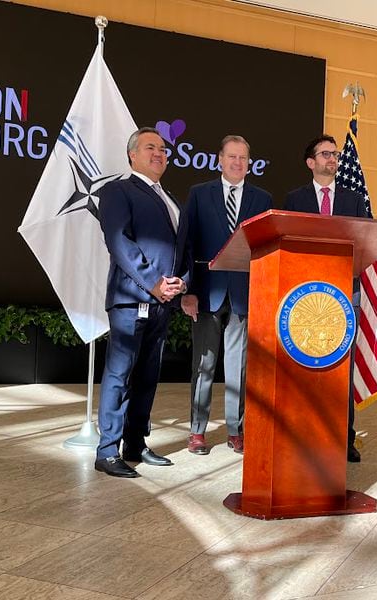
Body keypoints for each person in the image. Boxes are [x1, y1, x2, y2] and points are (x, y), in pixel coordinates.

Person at [94, 127, 190, 478]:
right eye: (151, 147)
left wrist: (182, 282)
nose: (159, 153)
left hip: (163, 302)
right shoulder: (117, 190)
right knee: (120, 375)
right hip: (130, 299)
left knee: (148, 376)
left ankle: (135, 444)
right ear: (132, 154)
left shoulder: (171, 199)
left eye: (163, 149)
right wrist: (152, 283)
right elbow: (118, 241)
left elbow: (183, 251)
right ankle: (107, 451)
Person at [180, 135, 273, 455]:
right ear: (219, 159)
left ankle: (236, 430)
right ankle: (197, 431)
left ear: (250, 163)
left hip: (244, 296)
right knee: (203, 366)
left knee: (238, 367)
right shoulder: (198, 194)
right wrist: (187, 290)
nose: (237, 163)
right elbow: (187, 245)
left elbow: (265, 248)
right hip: (205, 294)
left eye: (243, 158)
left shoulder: (262, 199)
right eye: (232, 157)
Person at [283, 134, 369, 463]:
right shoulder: (294, 199)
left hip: (344, 294)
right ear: (311, 162)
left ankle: (343, 439)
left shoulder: (353, 200)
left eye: (335, 154)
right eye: (325, 154)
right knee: (306, 368)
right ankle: (303, 435)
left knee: (340, 371)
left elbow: (364, 242)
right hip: (304, 296)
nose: (332, 159)